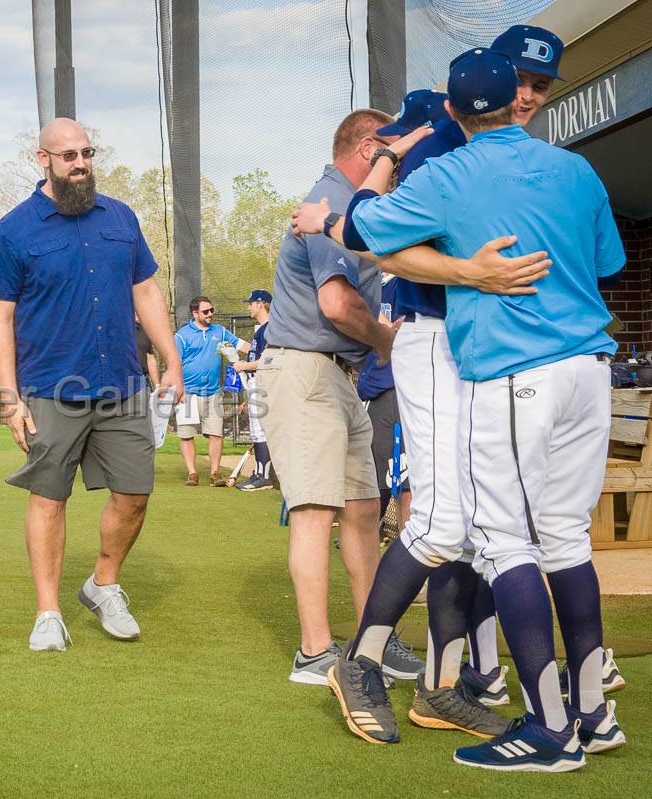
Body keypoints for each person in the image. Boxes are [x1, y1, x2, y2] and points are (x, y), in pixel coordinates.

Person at [299, 48, 627, 770]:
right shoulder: (453, 136)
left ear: (460, 104)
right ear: (508, 92)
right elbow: (371, 239)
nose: (535, 93)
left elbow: (365, 230)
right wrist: (392, 160)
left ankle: (453, 683)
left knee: (480, 527)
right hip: (452, 341)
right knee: (457, 518)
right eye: (528, 82)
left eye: (544, 83)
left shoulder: (488, 157)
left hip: (500, 353)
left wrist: (356, 218)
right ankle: (368, 661)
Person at [0, 117, 183, 652]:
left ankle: (103, 582)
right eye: (68, 154)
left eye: (86, 153)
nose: (80, 163)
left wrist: (172, 358)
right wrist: (8, 396)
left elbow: (145, 292)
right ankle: (48, 611)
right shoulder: (15, 229)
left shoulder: (120, 217)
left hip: (123, 383)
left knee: (135, 494)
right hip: (49, 386)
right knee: (49, 498)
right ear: (42, 159)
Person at [256, 108, 424, 686]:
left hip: (336, 377)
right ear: (371, 148)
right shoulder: (331, 199)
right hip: (305, 372)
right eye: (394, 155)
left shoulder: (352, 208)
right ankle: (314, 652)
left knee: (362, 511)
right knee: (315, 512)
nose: (398, 170)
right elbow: (336, 305)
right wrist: (387, 342)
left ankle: (373, 641)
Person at [354, 275, 412, 531]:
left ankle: (410, 550)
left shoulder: (406, 282)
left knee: (403, 482)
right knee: (381, 476)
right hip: (374, 391)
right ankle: (370, 533)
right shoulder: (374, 285)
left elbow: (406, 334)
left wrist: (376, 320)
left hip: (398, 389)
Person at [174, 296, 249, 486]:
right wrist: (179, 390)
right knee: (186, 434)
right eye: (206, 311)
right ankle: (192, 473)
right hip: (188, 394)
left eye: (211, 310)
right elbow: (175, 364)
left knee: (216, 434)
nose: (210, 314)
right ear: (195, 313)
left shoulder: (220, 331)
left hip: (214, 393)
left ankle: (215, 474)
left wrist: (264, 351)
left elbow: (242, 346)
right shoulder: (182, 335)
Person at [232, 289, 274, 492]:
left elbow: (267, 360)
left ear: (260, 303)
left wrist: (243, 366)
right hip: (256, 383)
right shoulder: (262, 329)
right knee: (257, 430)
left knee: (261, 430)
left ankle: (264, 476)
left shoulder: (270, 328)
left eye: (251, 303)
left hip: (263, 383)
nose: (248, 306)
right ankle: (259, 473)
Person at [136, 321, 171, 449]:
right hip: (124, 380)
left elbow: (150, 358)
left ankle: (143, 450)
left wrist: (157, 385)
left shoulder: (145, 331)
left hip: (143, 380)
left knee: (145, 420)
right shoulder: (121, 328)